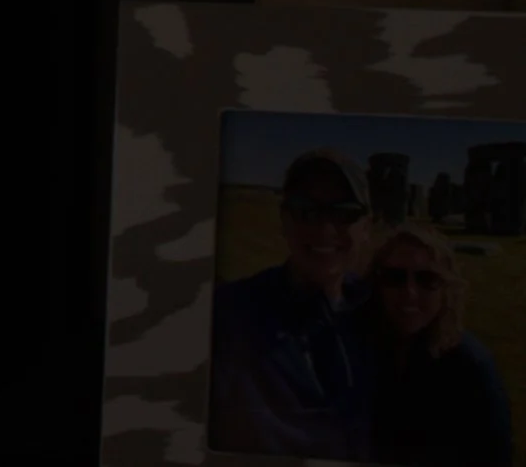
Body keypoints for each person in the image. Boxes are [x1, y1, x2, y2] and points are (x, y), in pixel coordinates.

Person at [210, 150, 377, 461]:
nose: (324, 229)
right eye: (305, 210)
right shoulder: (231, 314)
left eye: (344, 212)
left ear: (366, 227)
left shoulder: (382, 309)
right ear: (284, 221)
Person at [367, 223, 512, 467]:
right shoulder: (363, 348)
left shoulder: (470, 368)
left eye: (427, 279)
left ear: (446, 289)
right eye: (394, 278)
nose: (410, 292)